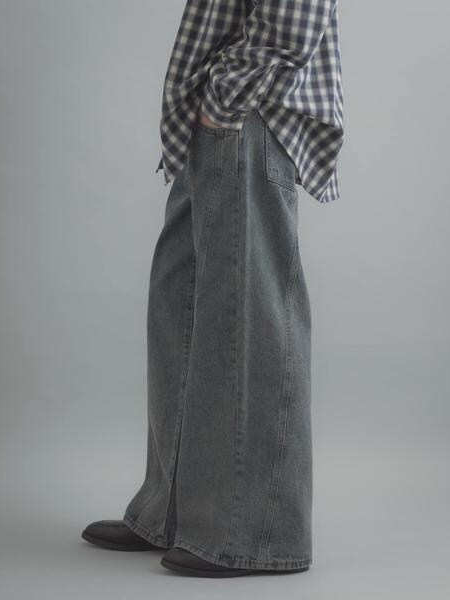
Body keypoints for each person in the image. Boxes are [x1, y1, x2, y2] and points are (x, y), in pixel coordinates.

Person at [82, 0, 344, 578]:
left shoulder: (235, 103)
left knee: (248, 318)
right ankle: (175, 513)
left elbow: (294, 17)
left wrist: (223, 100)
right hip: (217, 118)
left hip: (249, 114)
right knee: (180, 308)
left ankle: (256, 535)